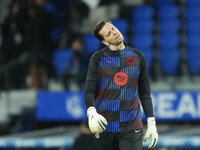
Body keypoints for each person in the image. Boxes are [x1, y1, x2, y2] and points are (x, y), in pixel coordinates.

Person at [84, 20, 158, 150]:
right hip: (105, 126)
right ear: (105, 42)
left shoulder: (138, 57)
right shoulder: (97, 59)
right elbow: (89, 90)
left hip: (131, 126)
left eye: (113, 28)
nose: (115, 32)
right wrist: (92, 113)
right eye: (109, 33)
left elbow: (145, 93)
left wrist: (151, 123)